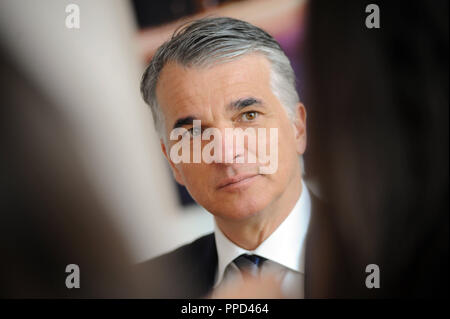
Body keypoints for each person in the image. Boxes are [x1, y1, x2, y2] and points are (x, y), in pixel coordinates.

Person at [137, 16, 333, 299]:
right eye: (194, 132)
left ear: (298, 128)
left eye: (248, 116)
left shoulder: (392, 255)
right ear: (172, 161)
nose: (227, 154)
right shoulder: (144, 288)